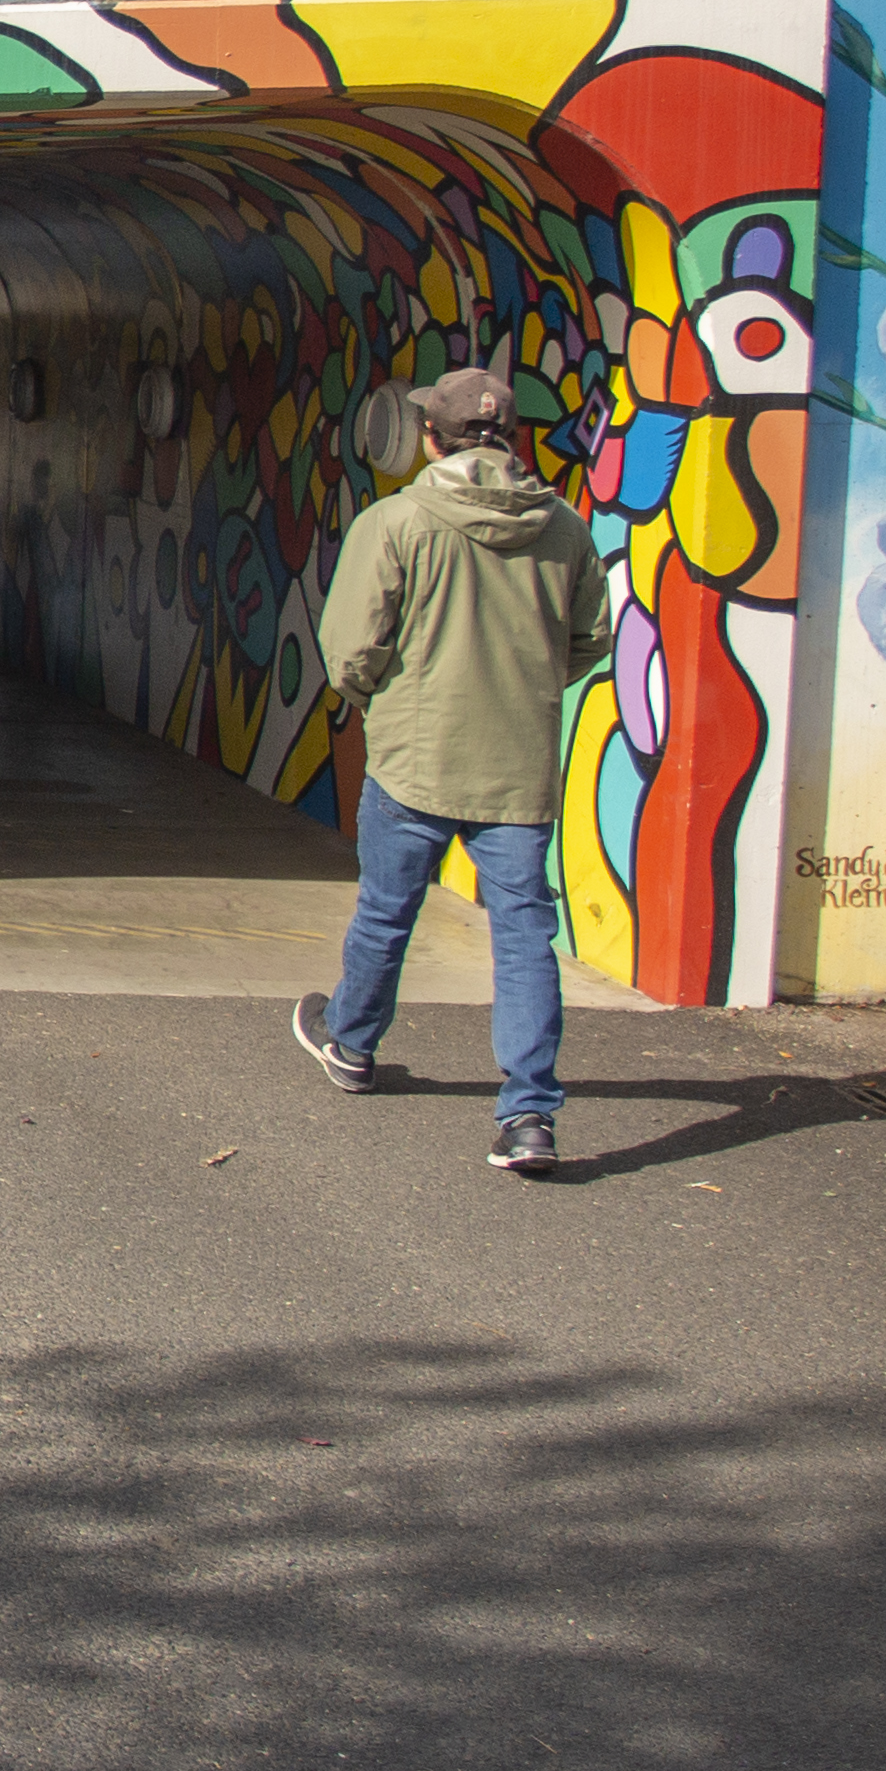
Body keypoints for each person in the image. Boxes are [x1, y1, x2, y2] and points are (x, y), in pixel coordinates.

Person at [293, 364, 616, 1175]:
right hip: (518, 765)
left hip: (417, 756)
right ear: (508, 438)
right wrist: (527, 687)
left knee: (387, 911)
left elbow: (350, 650)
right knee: (524, 937)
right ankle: (530, 1115)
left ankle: (354, 1045)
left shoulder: (396, 521)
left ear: (428, 437)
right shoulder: (565, 528)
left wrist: (387, 701)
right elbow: (590, 637)